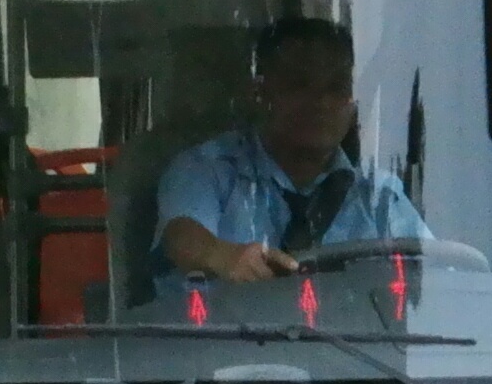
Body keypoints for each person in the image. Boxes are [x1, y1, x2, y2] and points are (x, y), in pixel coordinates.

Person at [150, 16, 428, 290]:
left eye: (336, 87)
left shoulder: (378, 198)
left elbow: (435, 273)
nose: (321, 102)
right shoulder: (208, 169)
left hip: (351, 336)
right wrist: (223, 256)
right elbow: (181, 236)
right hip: (221, 334)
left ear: (353, 104)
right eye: (299, 84)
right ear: (260, 93)